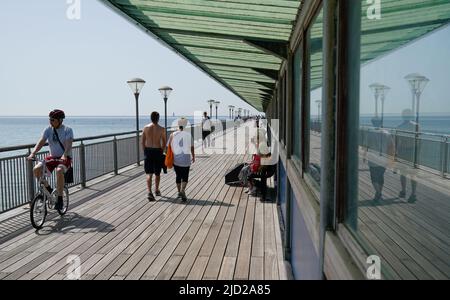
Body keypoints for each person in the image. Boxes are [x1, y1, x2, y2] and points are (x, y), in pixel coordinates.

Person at [27, 109, 73, 210]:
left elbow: (69, 144)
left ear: (60, 120)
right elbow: (41, 141)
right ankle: (49, 189)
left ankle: (60, 199)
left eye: (53, 120)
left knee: (59, 170)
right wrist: (33, 153)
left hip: (64, 158)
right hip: (52, 158)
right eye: (50, 119)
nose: (50, 122)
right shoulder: (48, 129)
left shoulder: (67, 130)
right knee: (36, 169)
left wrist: (65, 154)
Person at [363, 117, 394, 202]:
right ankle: (379, 193)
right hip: (384, 158)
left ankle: (378, 193)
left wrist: (364, 156)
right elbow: (391, 147)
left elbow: (366, 146)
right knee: (380, 176)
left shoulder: (369, 133)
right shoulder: (387, 133)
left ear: (372, 123)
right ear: (380, 123)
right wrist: (391, 159)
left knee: (373, 177)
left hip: (373, 158)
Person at [395, 109, 419, 203]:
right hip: (413, 151)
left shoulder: (399, 127)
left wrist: (395, 154)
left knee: (403, 173)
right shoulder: (416, 126)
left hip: (402, 151)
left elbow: (396, 142)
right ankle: (413, 193)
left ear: (403, 116)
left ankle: (403, 191)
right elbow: (419, 141)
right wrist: (418, 154)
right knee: (413, 174)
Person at [168, 117, 195, 201]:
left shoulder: (172, 135)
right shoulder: (188, 135)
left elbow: (168, 146)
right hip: (186, 160)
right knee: (185, 176)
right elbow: (192, 147)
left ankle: (179, 191)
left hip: (176, 159)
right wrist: (193, 156)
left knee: (178, 176)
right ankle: (183, 190)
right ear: (186, 125)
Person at [142, 112, 167, 201]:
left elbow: (142, 142)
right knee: (157, 173)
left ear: (151, 118)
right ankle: (156, 190)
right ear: (158, 118)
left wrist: (145, 152)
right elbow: (164, 142)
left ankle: (149, 192)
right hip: (157, 151)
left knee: (149, 173)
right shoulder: (162, 129)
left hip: (148, 151)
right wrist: (162, 151)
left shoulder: (145, 128)